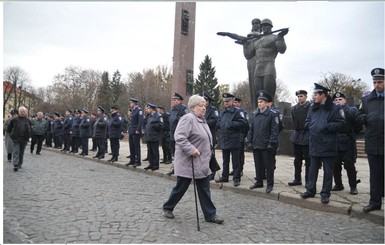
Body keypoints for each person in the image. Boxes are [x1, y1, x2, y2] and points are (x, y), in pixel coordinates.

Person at [163, 95, 224, 224]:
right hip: (188, 162)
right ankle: (168, 207)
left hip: (201, 163)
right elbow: (179, 137)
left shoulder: (202, 120)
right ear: (192, 107)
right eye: (200, 106)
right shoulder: (188, 118)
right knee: (180, 188)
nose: (203, 108)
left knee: (204, 189)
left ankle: (210, 215)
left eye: (204, 106)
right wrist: (191, 150)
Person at [300, 83, 345, 204]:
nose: (314, 96)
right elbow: (307, 121)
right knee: (312, 169)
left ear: (323, 95)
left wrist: (326, 126)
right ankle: (310, 189)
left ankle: (325, 193)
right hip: (314, 143)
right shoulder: (313, 108)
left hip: (328, 144)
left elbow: (341, 123)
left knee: (328, 171)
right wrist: (311, 126)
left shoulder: (335, 108)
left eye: (316, 94)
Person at [357, 68, 384, 213]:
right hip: (373, 141)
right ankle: (375, 202)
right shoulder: (366, 99)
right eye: (375, 82)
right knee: (375, 174)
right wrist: (368, 118)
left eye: (380, 82)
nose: (377, 85)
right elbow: (360, 115)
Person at [243, 18, 288, 104]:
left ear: (271, 26)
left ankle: (270, 112)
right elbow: (248, 56)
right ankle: (259, 113)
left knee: (268, 94)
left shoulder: (274, 37)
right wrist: (245, 45)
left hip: (269, 66)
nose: (264, 27)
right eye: (262, 26)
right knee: (259, 95)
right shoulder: (257, 40)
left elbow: (282, 50)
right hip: (258, 69)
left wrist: (281, 38)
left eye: (266, 25)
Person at [248, 91, 279, 193]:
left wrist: (271, 143)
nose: (259, 104)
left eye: (261, 102)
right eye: (258, 102)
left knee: (268, 166)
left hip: (266, 145)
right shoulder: (255, 114)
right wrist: (249, 141)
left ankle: (269, 185)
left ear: (266, 103)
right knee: (258, 165)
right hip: (256, 144)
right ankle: (259, 182)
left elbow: (274, 131)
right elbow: (251, 129)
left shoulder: (272, 115)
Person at [332, 92, 362, 195]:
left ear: (345, 100)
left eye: (340, 99)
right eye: (335, 100)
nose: (338, 101)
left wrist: (352, 134)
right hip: (335, 141)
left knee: (349, 165)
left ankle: (353, 186)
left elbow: (358, 126)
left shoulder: (351, 111)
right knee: (335, 164)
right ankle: (338, 184)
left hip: (347, 141)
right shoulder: (331, 111)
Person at [215, 93, 248, 187]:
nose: (226, 103)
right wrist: (220, 125)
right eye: (224, 101)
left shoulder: (238, 112)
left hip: (234, 139)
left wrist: (231, 124)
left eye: (228, 101)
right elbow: (219, 122)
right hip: (225, 138)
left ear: (232, 101)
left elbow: (244, 123)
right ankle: (224, 176)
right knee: (225, 160)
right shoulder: (222, 112)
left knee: (235, 160)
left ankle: (236, 178)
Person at [288, 90, 311, 187]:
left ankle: (308, 181)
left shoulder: (311, 107)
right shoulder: (294, 108)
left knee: (308, 160)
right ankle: (297, 179)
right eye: (298, 96)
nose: (299, 98)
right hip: (297, 135)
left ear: (306, 96)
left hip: (307, 135)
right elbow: (294, 120)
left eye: (301, 96)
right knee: (297, 160)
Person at [167, 92, 189, 175]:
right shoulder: (173, 109)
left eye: (175, 100)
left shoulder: (183, 109)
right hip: (172, 134)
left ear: (179, 101)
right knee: (174, 153)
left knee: (181, 153)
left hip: (180, 134)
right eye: (173, 100)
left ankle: (182, 169)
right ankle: (174, 168)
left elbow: (186, 121)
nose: (173, 101)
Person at [7, 106, 32, 171]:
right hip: (16, 138)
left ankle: (19, 164)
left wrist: (29, 136)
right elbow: (8, 129)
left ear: (26, 113)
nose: (22, 113)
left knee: (21, 152)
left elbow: (31, 129)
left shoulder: (28, 120)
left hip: (24, 139)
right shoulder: (14, 119)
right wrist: (11, 135)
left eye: (24, 112)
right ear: (19, 112)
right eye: (21, 111)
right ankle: (15, 164)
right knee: (16, 151)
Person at [203, 91, 219, 180]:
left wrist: (204, 122)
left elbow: (215, 121)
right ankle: (206, 170)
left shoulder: (213, 110)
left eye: (205, 100)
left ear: (208, 101)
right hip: (201, 135)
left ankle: (213, 171)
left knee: (210, 154)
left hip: (210, 134)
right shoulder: (200, 109)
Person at [233, 97, 249, 177]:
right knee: (234, 155)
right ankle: (235, 169)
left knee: (240, 154)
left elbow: (246, 125)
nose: (234, 104)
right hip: (233, 136)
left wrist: (244, 135)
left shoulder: (243, 112)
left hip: (241, 135)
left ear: (239, 103)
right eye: (234, 102)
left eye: (236, 102)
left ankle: (240, 169)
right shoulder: (232, 112)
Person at [144, 103, 163, 171]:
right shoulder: (149, 116)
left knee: (155, 152)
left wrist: (154, 125)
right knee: (150, 152)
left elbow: (161, 125)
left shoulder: (158, 116)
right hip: (149, 136)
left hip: (154, 137)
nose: (147, 110)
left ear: (151, 109)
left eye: (148, 109)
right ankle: (151, 164)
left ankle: (156, 165)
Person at [127, 98, 144, 167]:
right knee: (131, 146)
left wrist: (138, 130)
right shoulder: (133, 110)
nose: (130, 104)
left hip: (135, 131)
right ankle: (132, 160)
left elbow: (140, 121)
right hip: (131, 131)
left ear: (134, 103)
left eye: (131, 103)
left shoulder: (139, 110)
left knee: (136, 147)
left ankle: (138, 161)